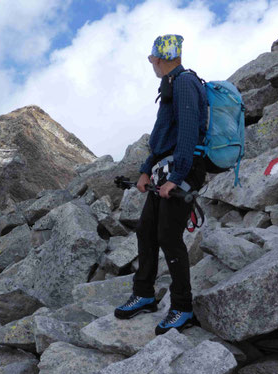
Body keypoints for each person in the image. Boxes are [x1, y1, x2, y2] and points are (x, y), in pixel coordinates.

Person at [114, 34, 208, 335]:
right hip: (164, 170)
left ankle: (182, 307)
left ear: (159, 57)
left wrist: (177, 177)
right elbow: (164, 134)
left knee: (169, 236)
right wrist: (145, 171)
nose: (150, 62)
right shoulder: (170, 84)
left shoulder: (183, 83)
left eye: (152, 57)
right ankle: (144, 294)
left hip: (181, 171)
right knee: (146, 231)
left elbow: (189, 133)